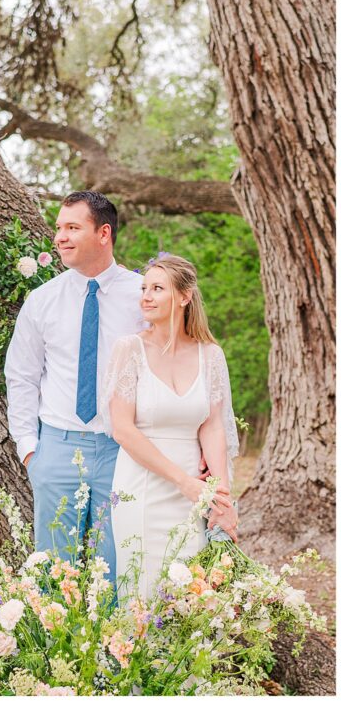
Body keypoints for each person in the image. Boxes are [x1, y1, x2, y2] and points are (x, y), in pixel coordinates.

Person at [5, 191, 145, 581]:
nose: (60, 237)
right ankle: (55, 642)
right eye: (59, 228)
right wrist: (30, 450)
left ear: (104, 233)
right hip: (56, 449)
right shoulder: (42, 300)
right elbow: (21, 376)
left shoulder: (143, 298)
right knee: (54, 574)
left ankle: (114, 642)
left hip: (123, 452)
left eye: (72, 228)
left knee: (118, 570)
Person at [102, 254, 239, 602]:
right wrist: (184, 482)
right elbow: (123, 429)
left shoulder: (210, 355)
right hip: (142, 485)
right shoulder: (129, 349)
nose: (145, 296)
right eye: (144, 288)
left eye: (157, 288)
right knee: (144, 590)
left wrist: (221, 499)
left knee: (195, 589)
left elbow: (213, 428)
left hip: (196, 492)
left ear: (184, 296)